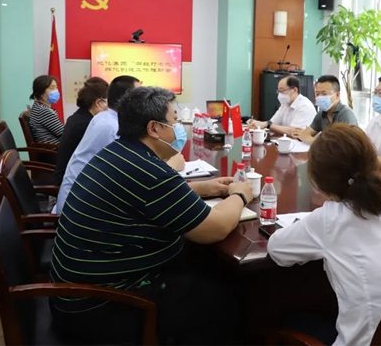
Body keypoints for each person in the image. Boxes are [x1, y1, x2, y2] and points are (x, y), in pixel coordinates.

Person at [50, 86, 254, 345]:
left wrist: (205, 188)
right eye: (174, 121)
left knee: (202, 264)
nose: (178, 128)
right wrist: (240, 195)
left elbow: (146, 196)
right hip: (102, 306)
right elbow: (215, 228)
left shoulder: (121, 152)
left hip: (79, 293)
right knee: (226, 299)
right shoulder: (148, 171)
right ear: (154, 128)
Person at [268, 123, 381, 346]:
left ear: (318, 182)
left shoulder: (328, 220)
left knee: (290, 318)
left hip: (371, 341)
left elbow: (276, 249)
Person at [53, 76, 186, 213]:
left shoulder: (104, 117)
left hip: (82, 198)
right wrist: (171, 166)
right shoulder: (114, 128)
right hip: (80, 208)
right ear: (127, 100)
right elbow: (141, 179)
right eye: (140, 95)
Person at [52, 77, 108, 186]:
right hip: (70, 182)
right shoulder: (86, 125)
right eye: (107, 102)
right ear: (98, 103)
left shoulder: (80, 116)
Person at [292, 75, 357, 144]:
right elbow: (305, 135)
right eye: (317, 94)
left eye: (324, 94)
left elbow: (344, 145)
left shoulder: (346, 114)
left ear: (337, 95)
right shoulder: (321, 113)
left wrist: (317, 142)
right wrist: (320, 142)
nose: (320, 97)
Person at [248, 76, 316, 136]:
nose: (280, 94)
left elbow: (294, 132)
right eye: (278, 91)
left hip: (301, 144)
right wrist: (257, 124)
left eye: (282, 90)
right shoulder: (285, 104)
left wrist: (266, 125)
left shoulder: (305, 106)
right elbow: (273, 123)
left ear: (295, 90)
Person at [29, 75, 64, 144]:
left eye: (56, 87)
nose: (56, 91)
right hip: (54, 149)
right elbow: (64, 134)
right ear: (41, 92)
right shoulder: (43, 111)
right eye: (52, 88)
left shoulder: (38, 107)